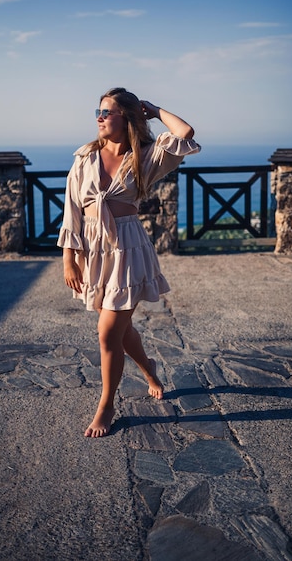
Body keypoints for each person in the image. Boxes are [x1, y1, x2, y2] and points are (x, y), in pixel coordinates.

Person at [57, 87, 201, 437]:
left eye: (107, 112)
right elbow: (72, 211)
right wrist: (69, 259)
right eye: (98, 111)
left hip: (127, 250)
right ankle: (149, 369)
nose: (99, 117)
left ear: (127, 118)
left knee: (107, 331)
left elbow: (184, 134)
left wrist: (152, 109)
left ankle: (106, 405)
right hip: (94, 251)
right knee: (120, 330)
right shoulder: (84, 158)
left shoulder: (145, 157)